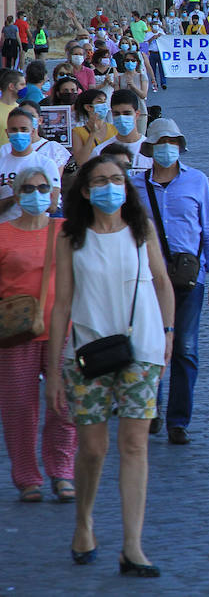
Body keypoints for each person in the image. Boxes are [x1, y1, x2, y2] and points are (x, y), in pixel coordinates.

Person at [46, 155, 177, 576]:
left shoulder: (142, 230)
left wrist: (168, 332)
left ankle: (132, 545)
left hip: (141, 351)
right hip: (86, 352)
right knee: (93, 449)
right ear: (85, 190)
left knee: (135, 446)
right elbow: (61, 304)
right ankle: (83, 522)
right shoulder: (71, 236)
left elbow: (162, 282)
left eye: (117, 179)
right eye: (100, 180)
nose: (110, 186)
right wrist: (52, 371)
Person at [129, 119, 209, 445]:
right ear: (151, 148)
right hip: (148, 279)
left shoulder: (198, 181)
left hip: (191, 279)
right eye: (161, 142)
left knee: (185, 348)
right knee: (151, 344)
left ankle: (178, 420)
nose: (167, 148)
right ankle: (151, 408)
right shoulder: (135, 186)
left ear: (180, 146)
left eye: (173, 142)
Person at [0, 166, 75, 504]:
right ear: (16, 195)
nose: (36, 194)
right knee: (19, 408)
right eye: (28, 189)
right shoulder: (2, 234)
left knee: (64, 405)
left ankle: (63, 472)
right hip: (15, 334)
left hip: (62, 330)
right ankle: (28, 477)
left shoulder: (66, 231)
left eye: (42, 188)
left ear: (52, 193)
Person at [91, 90, 152, 173]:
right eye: (117, 114)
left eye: (127, 113)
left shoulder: (152, 151)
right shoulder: (100, 152)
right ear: (112, 114)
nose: (121, 118)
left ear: (137, 114)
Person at [72, 89, 115, 167]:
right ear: (88, 107)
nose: (104, 105)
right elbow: (80, 161)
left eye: (104, 101)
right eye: (99, 102)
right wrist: (92, 133)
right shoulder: (77, 132)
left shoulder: (114, 129)